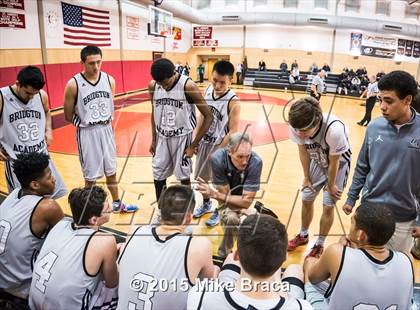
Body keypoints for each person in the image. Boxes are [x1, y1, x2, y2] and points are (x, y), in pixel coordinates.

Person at [343, 71, 420, 255]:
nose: (382, 107)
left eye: (389, 101)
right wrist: (351, 197)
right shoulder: (374, 127)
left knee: (396, 267)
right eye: (380, 100)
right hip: (369, 212)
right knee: (359, 264)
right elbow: (363, 166)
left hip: (403, 219)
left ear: (407, 100)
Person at [117, 185, 218, 310]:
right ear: (189, 217)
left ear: (161, 212)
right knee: (218, 272)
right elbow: (206, 287)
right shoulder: (201, 246)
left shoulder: (134, 230)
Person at [63, 45, 138, 213]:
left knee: (111, 171)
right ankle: (90, 210)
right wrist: (87, 123)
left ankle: (117, 203)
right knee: (90, 177)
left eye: (99, 62)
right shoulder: (73, 84)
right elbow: (67, 115)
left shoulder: (109, 80)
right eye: (91, 63)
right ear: (82, 63)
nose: (96, 67)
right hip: (88, 133)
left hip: (107, 129)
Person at [188, 214, 312, 309]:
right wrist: (277, 279)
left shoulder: (200, 294)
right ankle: (274, 276)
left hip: (227, 292)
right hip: (280, 299)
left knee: (229, 259)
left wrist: (214, 280)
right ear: (284, 258)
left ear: (238, 255)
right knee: (294, 269)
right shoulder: (303, 307)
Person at [304, 203, 414, 309]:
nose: (350, 226)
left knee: (300, 268)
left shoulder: (336, 252)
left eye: (352, 222)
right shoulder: (407, 259)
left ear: (361, 235)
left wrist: (343, 252)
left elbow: (313, 278)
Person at [29, 186, 119, 310]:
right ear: (94, 219)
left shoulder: (60, 224)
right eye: (106, 206)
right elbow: (112, 284)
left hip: (34, 303)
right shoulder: (106, 240)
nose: (110, 207)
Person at [287, 96, 351, 258]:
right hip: (317, 159)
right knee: (306, 197)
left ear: (317, 122)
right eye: (297, 130)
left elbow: (334, 161)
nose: (299, 134)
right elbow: (303, 151)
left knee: (328, 204)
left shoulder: (334, 130)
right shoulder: (297, 125)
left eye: (304, 131)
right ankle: (303, 235)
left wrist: (331, 185)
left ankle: (320, 243)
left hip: (338, 164)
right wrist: (306, 177)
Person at [0, 152, 64, 307]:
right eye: (49, 176)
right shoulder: (48, 207)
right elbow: (65, 245)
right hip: (21, 291)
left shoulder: (14, 193)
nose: (54, 179)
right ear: (35, 185)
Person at [148, 58, 213, 202]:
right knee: (157, 173)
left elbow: (209, 116)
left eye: (166, 83)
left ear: (174, 73)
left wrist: (193, 145)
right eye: (160, 84)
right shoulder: (153, 85)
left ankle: (188, 209)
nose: (163, 87)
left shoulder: (188, 86)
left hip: (182, 138)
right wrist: (154, 139)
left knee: (183, 176)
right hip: (162, 137)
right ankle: (161, 211)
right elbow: (154, 112)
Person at [0, 66, 67, 199]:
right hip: (18, 162)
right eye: (28, 93)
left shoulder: (41, 96)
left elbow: (47, 111)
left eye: (34, 94)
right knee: (24, 201)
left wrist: (48, 130)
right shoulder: (2, 97)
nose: (31, 98)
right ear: (18, 84)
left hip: (41, 157)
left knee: (49, 196)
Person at [196, 132, 263, 257]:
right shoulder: (217, 159)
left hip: (234, 199)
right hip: (225, 201)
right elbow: (226, 197)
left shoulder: (256, 162)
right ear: (229, 152)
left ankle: (242, 252)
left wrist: (214, 194)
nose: (244, 162)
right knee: (233, 219)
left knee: (254, 223)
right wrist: (246, 210)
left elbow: (247, 201)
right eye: (240, 156)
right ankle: (224, 255)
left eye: (247, 156)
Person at [193, 61, 241, 224]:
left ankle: (220, 211)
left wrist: (218, 151)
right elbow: (201, 117)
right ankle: (206, 204)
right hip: (205, 143)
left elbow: (233, 131)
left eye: (222, 82)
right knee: (201, 179)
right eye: (214, 80)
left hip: (221, 147)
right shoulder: (207, 90)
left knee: (220, 183)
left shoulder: (233, 101)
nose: (217, 85)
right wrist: (196, 139)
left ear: (231, 80)